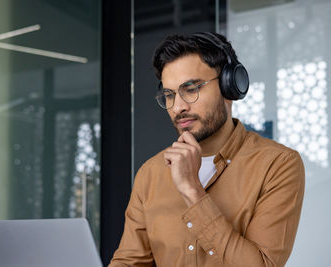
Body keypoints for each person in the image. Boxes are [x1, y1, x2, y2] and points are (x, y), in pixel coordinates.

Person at [109, 32, 305, 267]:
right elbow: (129, 262)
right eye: (169, 95)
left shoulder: (278, 164)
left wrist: (192, 191)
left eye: (190, 89)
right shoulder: (150, 173)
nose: (178, 107)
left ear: (229, 87)